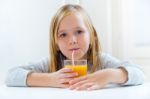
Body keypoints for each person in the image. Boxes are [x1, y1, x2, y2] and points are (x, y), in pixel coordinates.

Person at [5, 4, 144, 91]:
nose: (72, 40)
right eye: (63, 34)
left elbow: (139, 74)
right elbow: (10, 76)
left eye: (79, 32)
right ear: (56, 43)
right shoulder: (52, 63)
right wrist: (50, 79)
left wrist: (108, 75)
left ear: (92, 35)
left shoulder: (101, 61)